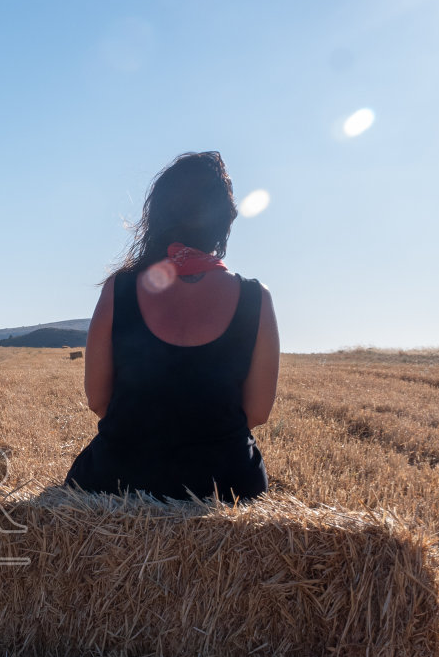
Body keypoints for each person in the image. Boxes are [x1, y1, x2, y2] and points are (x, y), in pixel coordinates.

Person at [64, 152, 279, 502]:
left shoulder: (119, 290)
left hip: (118, 479)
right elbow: (257, 413)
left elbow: (97, 399)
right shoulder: (257, 298)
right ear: (226, 220)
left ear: (156, 216)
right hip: (226, 486)